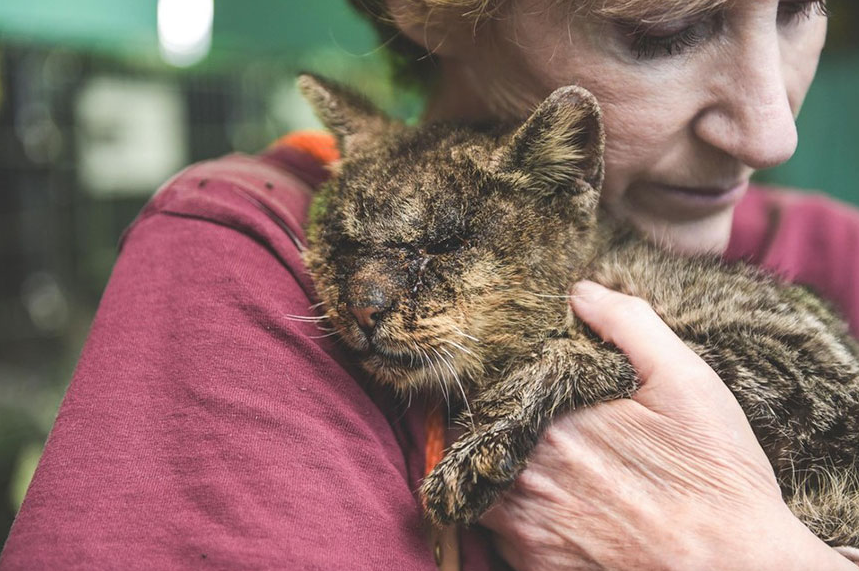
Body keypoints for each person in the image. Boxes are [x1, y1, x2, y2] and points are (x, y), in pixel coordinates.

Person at [2, 0, 858, 569]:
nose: (770, 132)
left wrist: (732, 550)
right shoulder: (240, 253)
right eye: (660, 28)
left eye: (800, 7)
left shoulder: (830, 246)